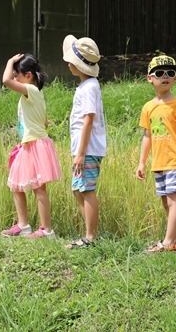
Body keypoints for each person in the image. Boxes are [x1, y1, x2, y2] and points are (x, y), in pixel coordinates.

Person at [136, 55, 176, 253]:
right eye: (160, 73)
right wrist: (142, 162)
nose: (165, 76)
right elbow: (147, 136)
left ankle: (167, 242)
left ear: (175, 79)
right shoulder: (148, 107)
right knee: (166, 202)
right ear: (150, 78)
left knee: (174, 200)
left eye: (170, 73)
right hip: (160, 162)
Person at [0, 54, 62, 240]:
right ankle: (23, 225)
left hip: (36, 145)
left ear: (27, 76)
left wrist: (10, 61)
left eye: (17, 75)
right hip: (30, 144)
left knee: (39, 189)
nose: (15, 79)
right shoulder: (35, 94)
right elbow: (45, 122)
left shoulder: (31, 90)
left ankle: (47, 230)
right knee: (16, 185)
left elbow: (5, 80)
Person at [62, 36, 106, 249]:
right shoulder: (86, 86)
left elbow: (89, 118)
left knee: (86, 189)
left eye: (71, 60)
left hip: (87, 148)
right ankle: (89, 234)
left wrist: (80, 153)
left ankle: (91, 237)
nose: (68, 64)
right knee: (78, 189)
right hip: (83, 148)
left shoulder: (89, 87)